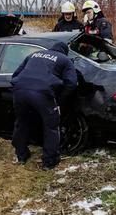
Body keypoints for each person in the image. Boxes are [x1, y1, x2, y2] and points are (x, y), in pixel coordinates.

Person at [11, 42, 77, 170]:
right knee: (51, 126)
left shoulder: (34, 54)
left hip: (19, 91)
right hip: (43, 94)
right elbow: (71, 84)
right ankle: (49, 161)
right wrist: (58, 101)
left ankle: (21, 155)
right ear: (65, 51)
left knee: (21, 123)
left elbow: (15, 75)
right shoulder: (65, 60)